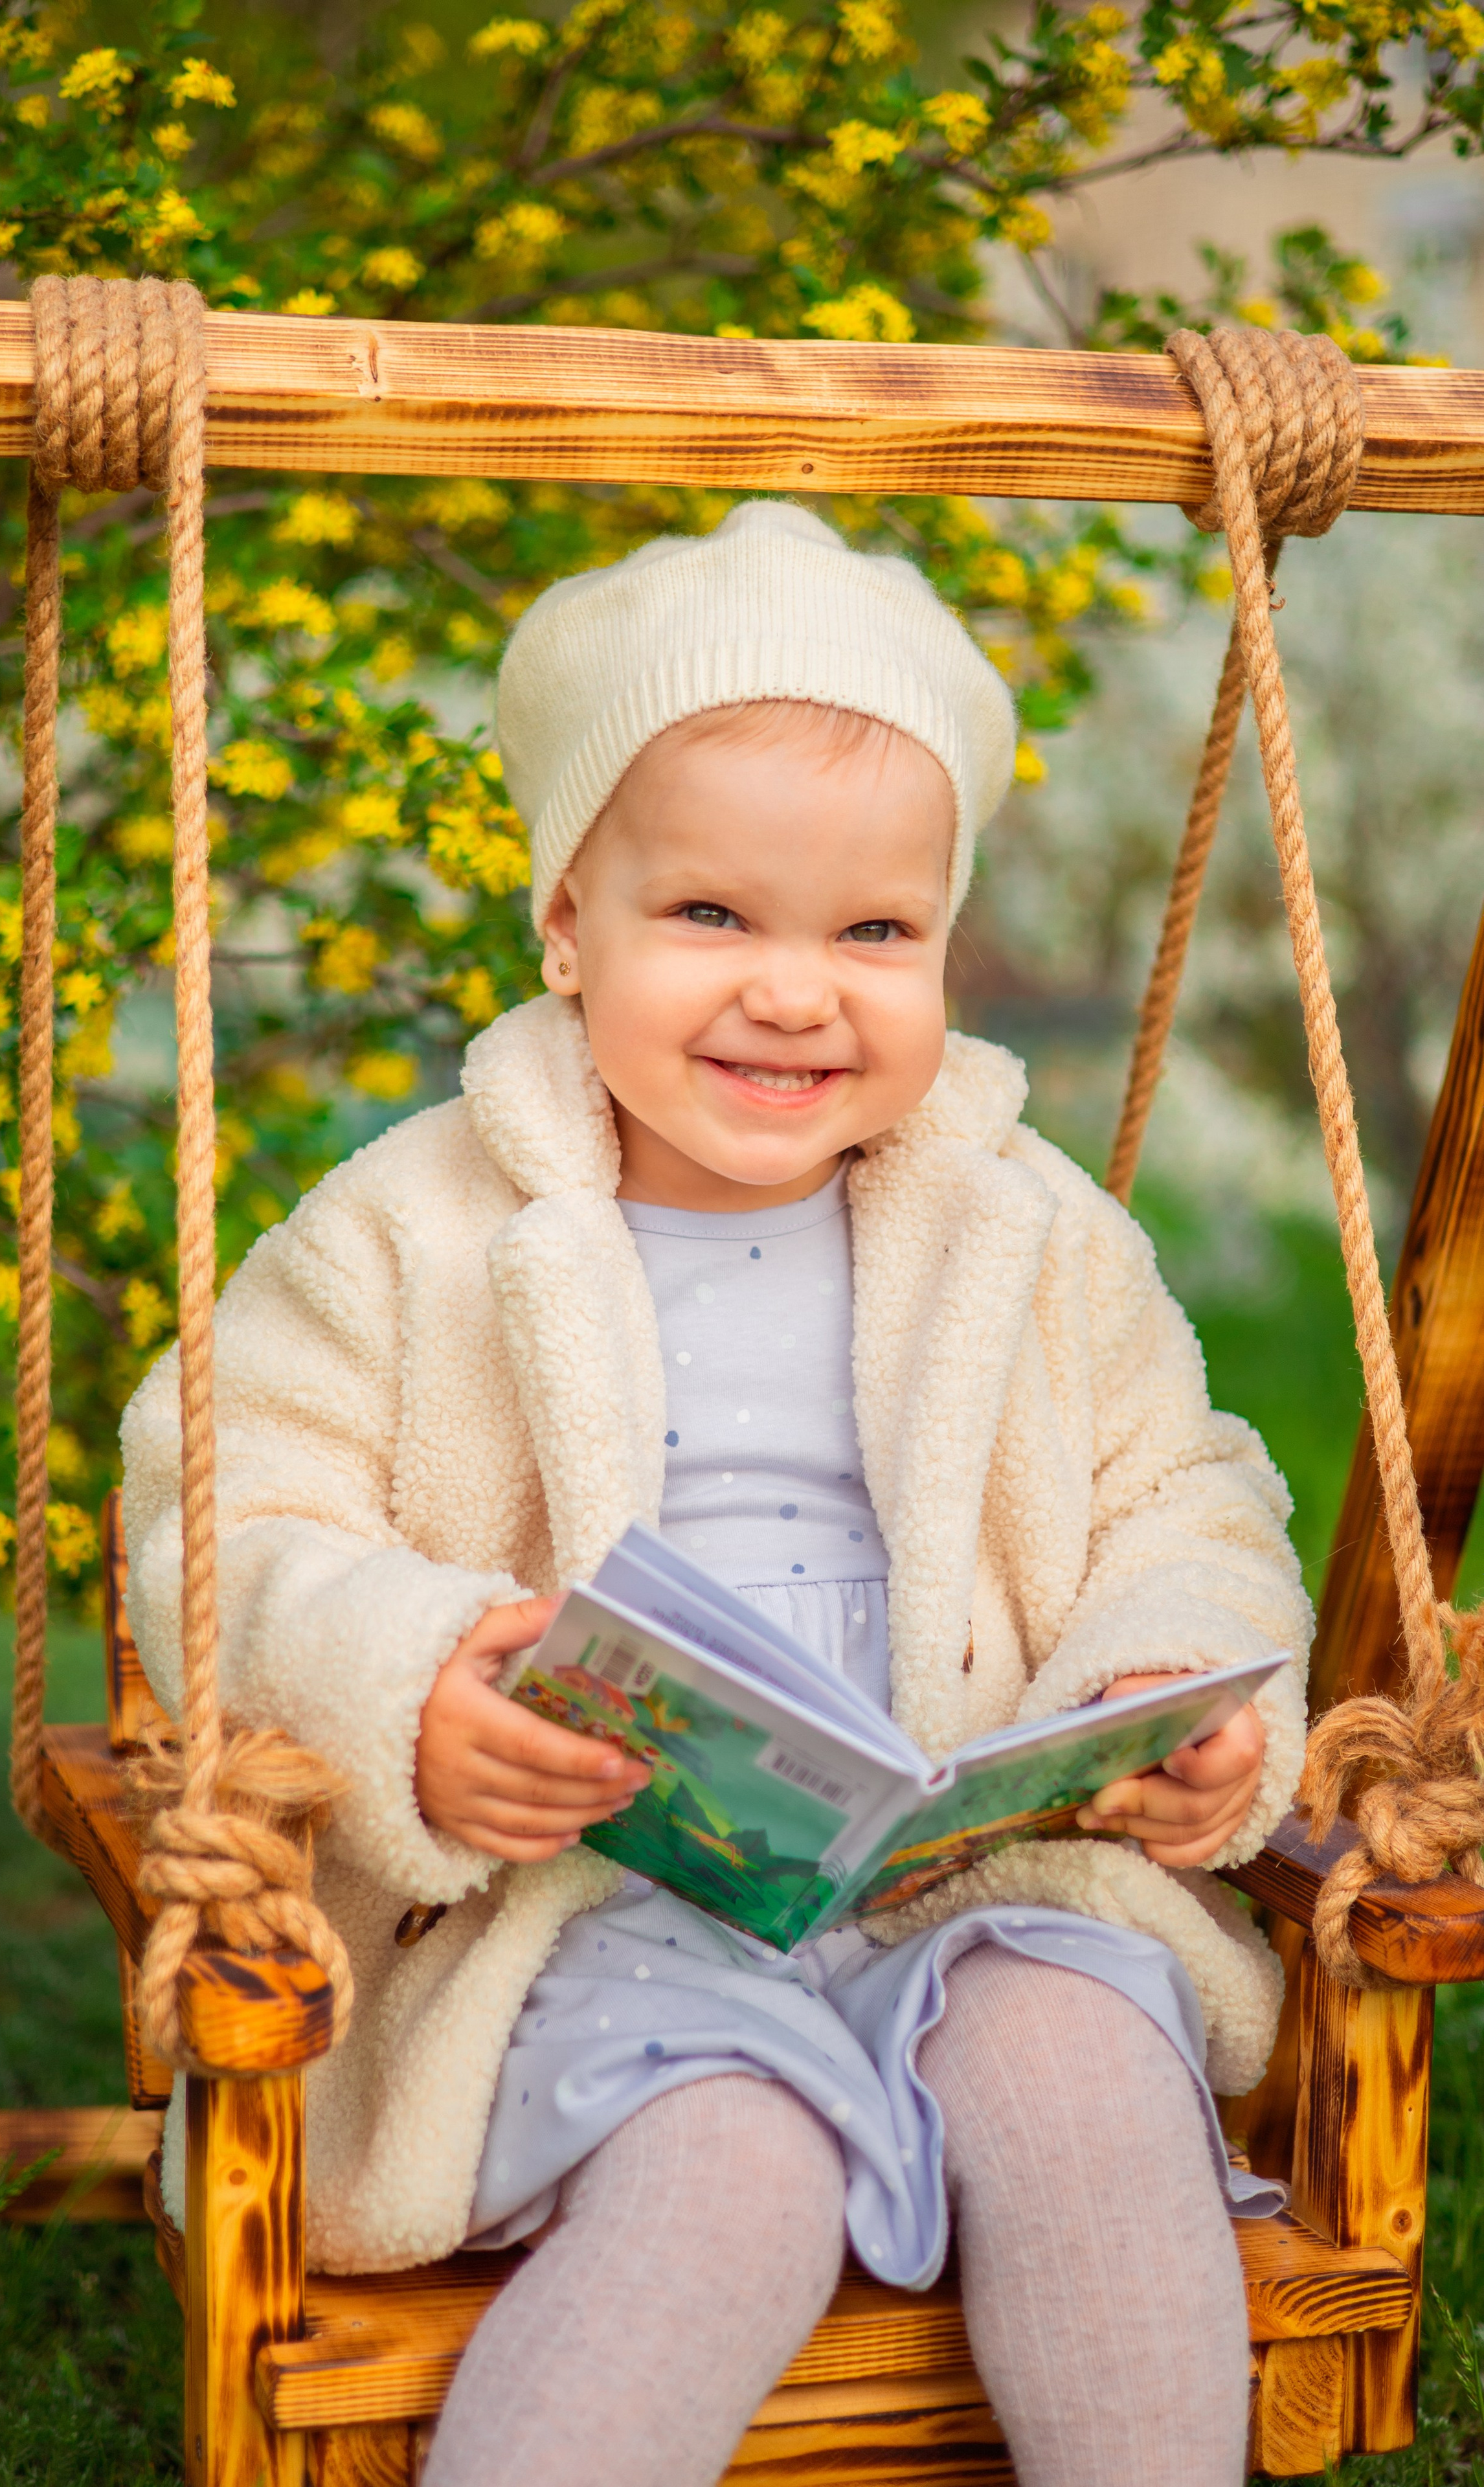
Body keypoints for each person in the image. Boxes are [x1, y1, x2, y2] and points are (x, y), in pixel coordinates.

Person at [122, 501, 1310, 2487]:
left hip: (969, 1868)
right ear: (568, 927)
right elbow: (220, 1518)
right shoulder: (416, 1229)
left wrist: (1180, 1683)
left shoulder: (1031, 1232)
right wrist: (412, 1690)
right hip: (587, 1896)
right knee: (728, 2162)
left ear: (947, 944)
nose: (796, 993)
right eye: (712, 919)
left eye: (873, 933)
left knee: (1090, 2074)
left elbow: (1185, 1488)